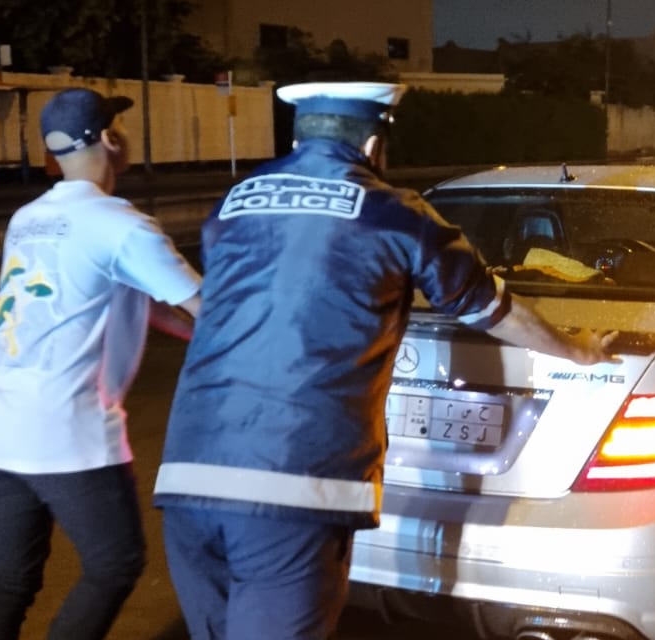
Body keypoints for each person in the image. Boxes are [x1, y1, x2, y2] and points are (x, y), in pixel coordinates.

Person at [154, 81, 617, 640]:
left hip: (188, 475)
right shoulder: (394, 214)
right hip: (293, 484)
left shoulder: (235, 203)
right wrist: (579, 349)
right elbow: (494, 311)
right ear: (375, 145)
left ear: (298, 139)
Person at [0, 88, 203, 640]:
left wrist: (184, 331)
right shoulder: (122, 225)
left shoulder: (27, 219)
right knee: (115, 564)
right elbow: (210, 309)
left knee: (7, 583)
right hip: (66, 426)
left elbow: (104, 296)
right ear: (112, 139)